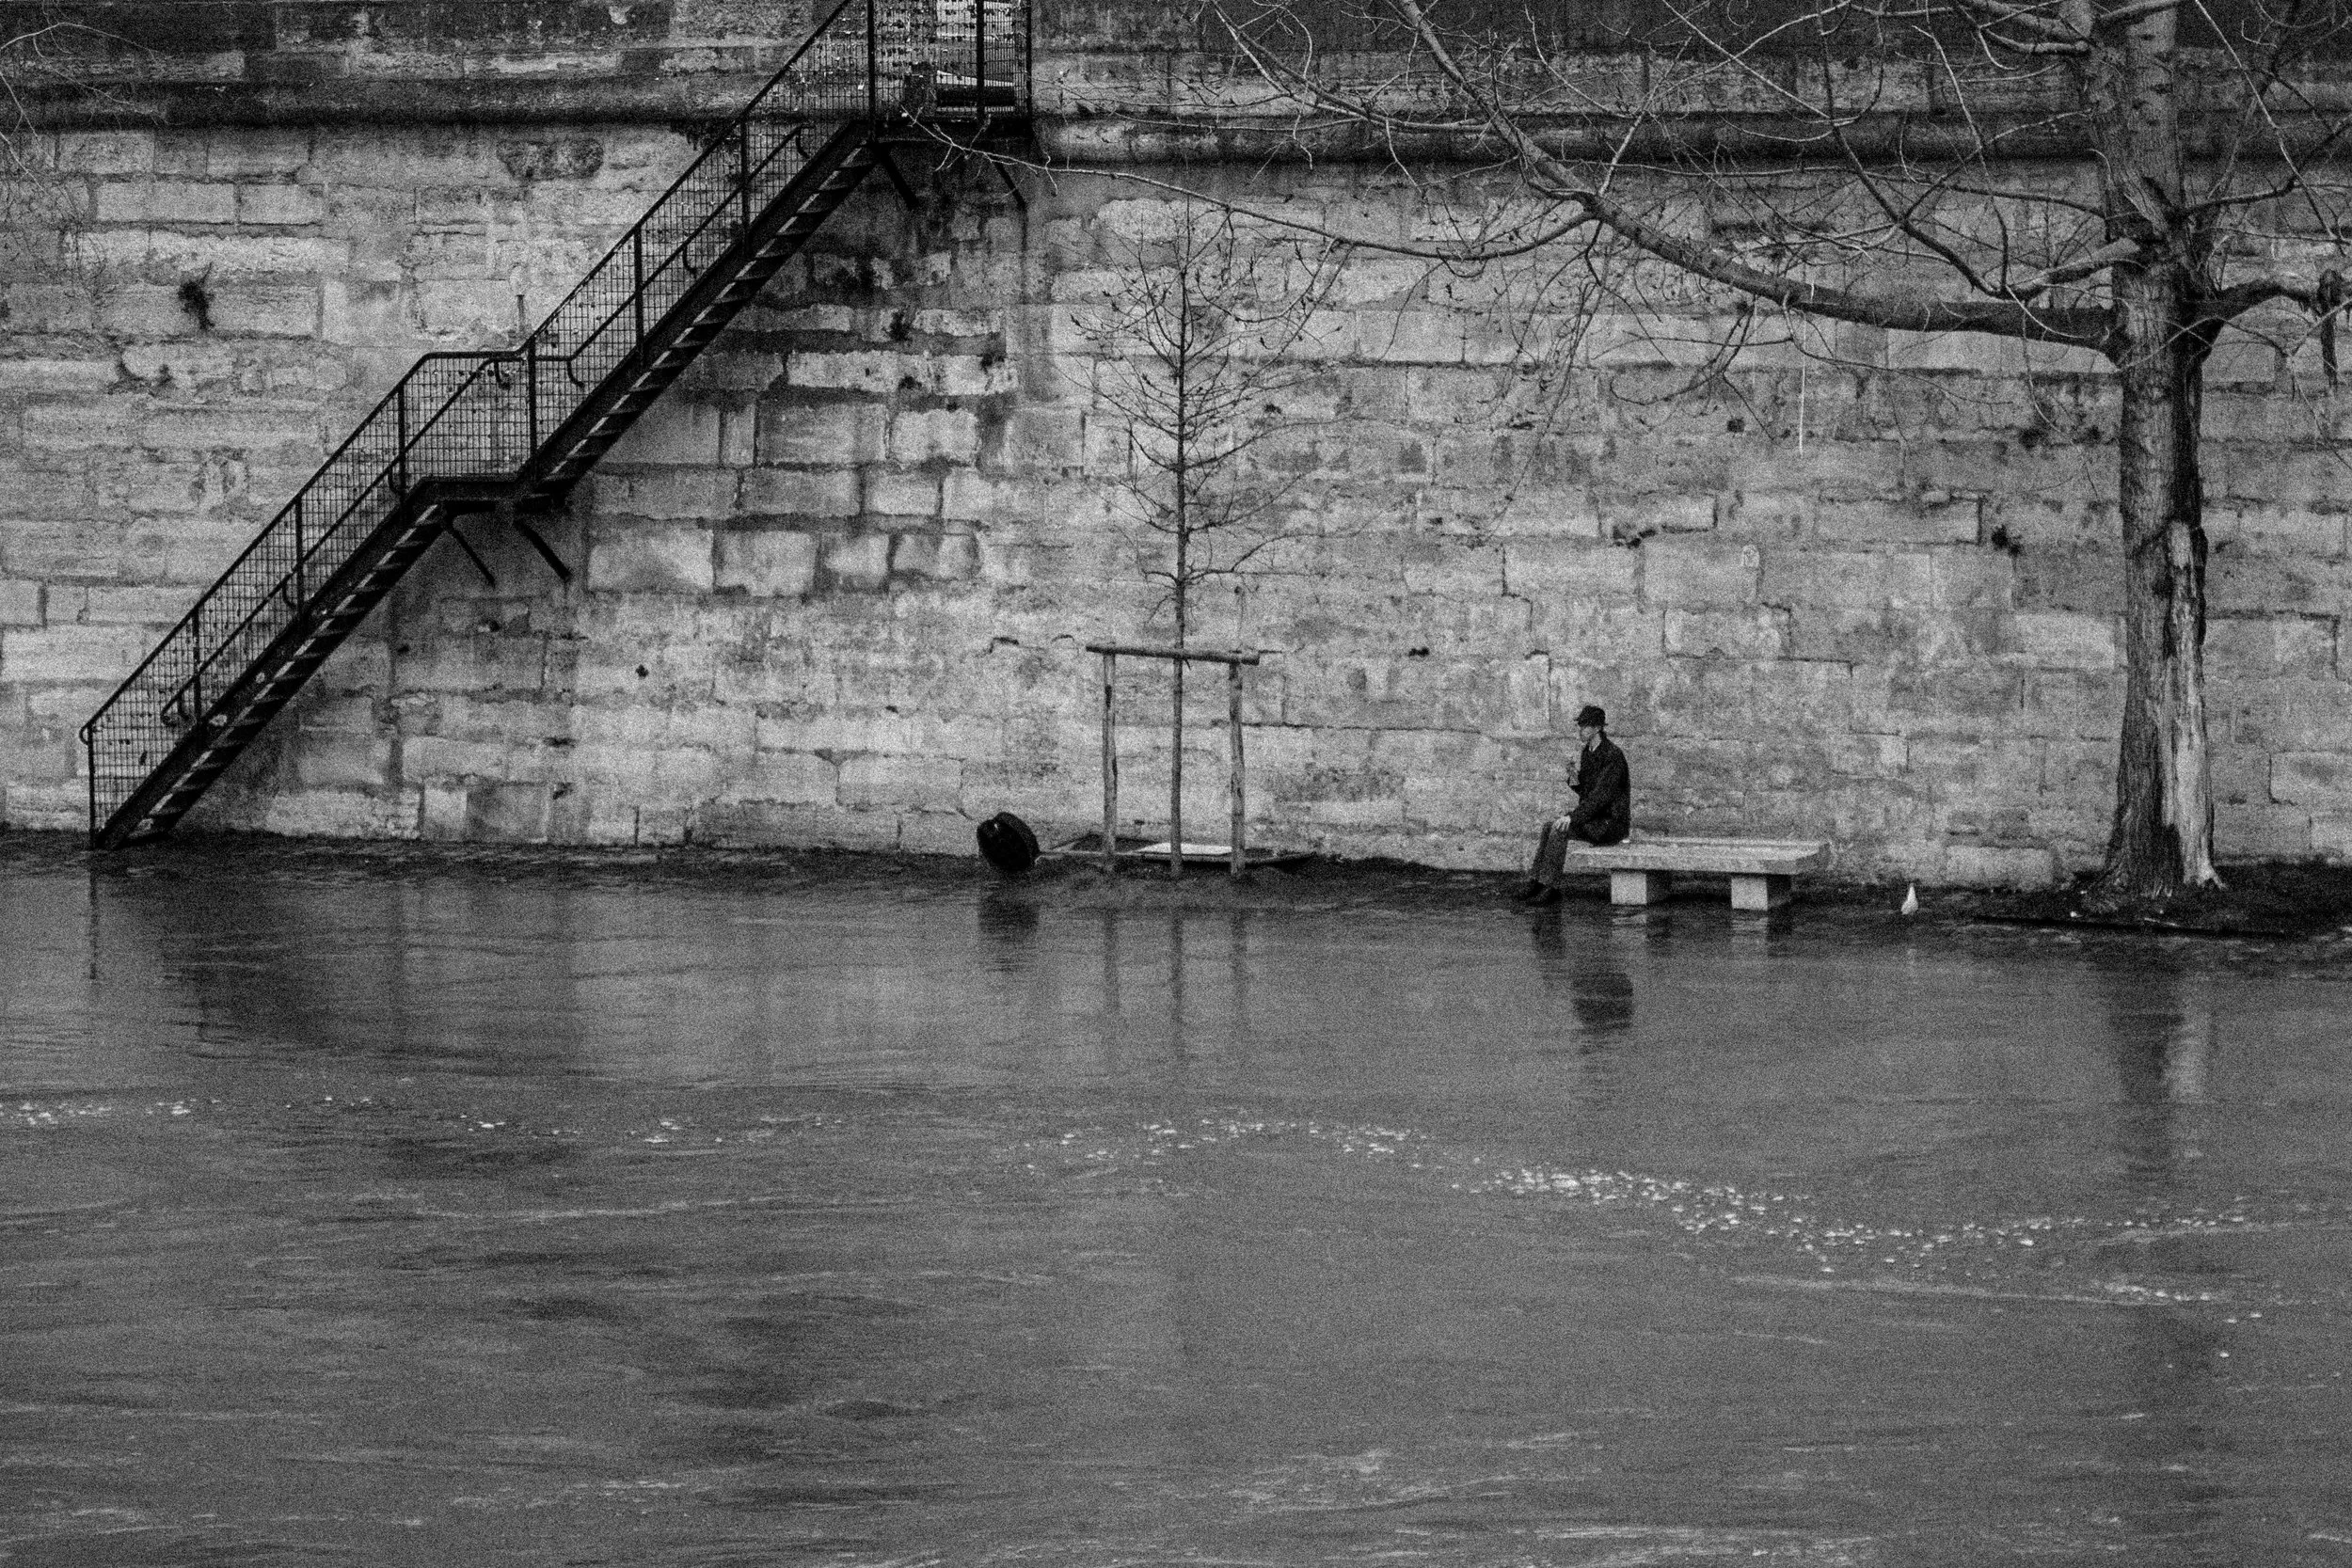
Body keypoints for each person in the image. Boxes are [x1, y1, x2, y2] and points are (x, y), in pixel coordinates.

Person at [1517, 704, 1630, 904]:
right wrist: (1573, 775)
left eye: (1584, 726)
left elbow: (1599, 798)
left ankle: (1551, 887)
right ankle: (1537, 881)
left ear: (1597, 728)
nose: (1580, 730)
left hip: (1610, 824)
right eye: (1579, 726)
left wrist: (1572, 817)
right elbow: (1586, 790)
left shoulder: (1613, 755)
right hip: (1594, 819)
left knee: (1560, 829)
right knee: (1548, 827)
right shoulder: (1588, 752)